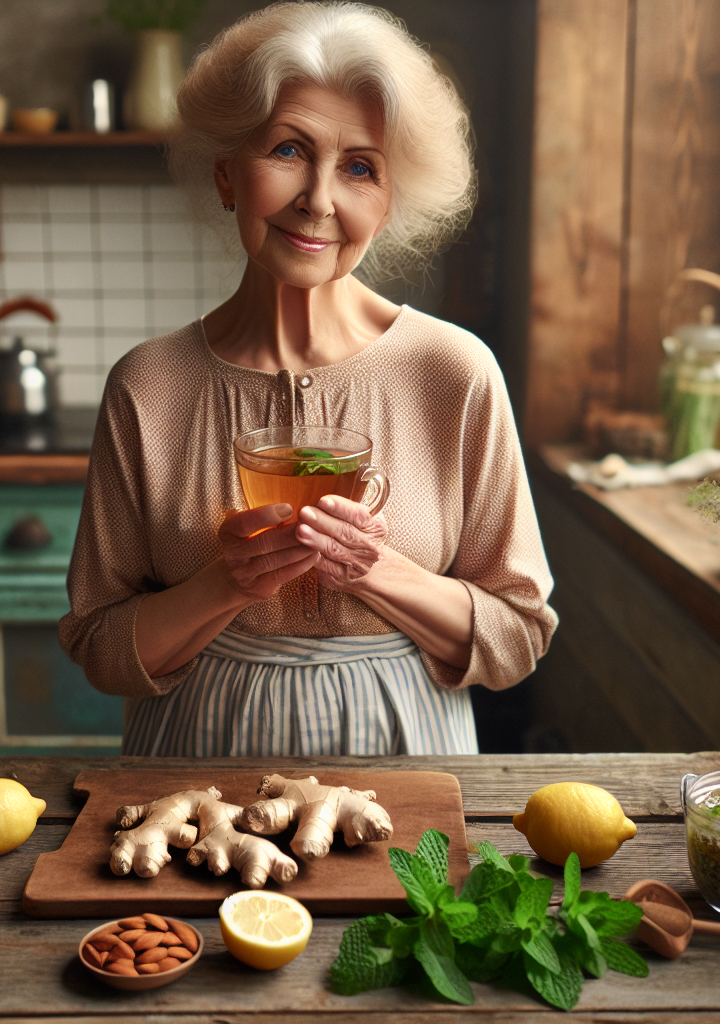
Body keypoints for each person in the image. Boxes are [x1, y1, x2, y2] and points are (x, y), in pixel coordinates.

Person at [60, 1, 557, 757]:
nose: (319, 199)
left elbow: (518, 633)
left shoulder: (454, 373)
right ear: (228, 173)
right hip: (193, 762)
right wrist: (226, 582)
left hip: (405, 750)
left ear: (390, 202)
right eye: (289, 150)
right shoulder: (148, 385)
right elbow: (98, 645)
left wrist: (375, 570)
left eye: (360, 167)